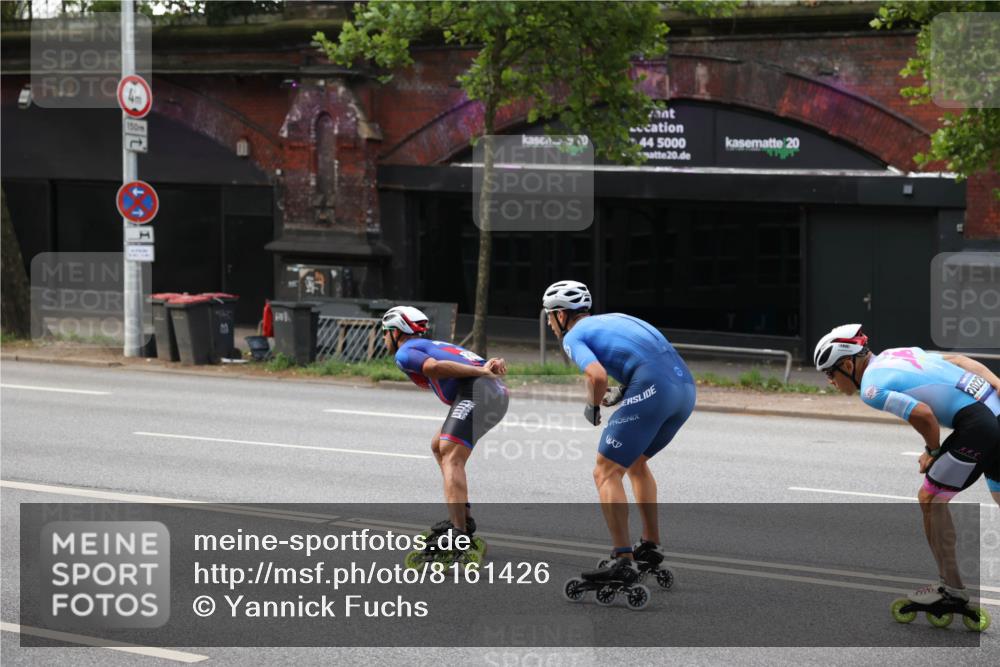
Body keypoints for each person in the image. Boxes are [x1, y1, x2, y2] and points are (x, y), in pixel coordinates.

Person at [813, 323, 1000, 606]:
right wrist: (998, 384)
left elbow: (923, 415)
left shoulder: (872, 389)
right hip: (993, 408)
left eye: (830, 373)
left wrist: (932, 451)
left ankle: (951, 590)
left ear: (848, 364)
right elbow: (962, 361)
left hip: (980, 425)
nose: (830, 381)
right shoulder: (897, 353)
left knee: (930, 499)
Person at [542, 280, 696, 582]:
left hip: (654, 388)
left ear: (562, 315)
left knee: (605, 472)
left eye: (549, 316)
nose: (549, 323)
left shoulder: (574, 336)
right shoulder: (616, 319)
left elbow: (596, 375)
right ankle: (650, 545)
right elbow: (651, 358)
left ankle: (623, 558)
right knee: (636, 462)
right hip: (686, 390)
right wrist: (627, 391)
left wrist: (594, 404)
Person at [382, 306, 510, 555]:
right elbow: (474, 362)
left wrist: (482, 371)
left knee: (451, 454)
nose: (384, 338)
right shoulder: (433, 343)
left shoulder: (406, 352)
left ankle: (459, 535)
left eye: (386, 333)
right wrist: (490, 365)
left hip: (479, 391)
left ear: (397, 333)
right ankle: (463, 517)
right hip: (490, 393)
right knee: (438, 445)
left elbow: (434, 368)